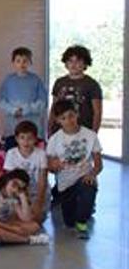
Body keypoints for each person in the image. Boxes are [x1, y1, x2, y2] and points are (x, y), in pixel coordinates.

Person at [47, 100, 103, 240]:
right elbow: (49, 166)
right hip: (65, 185)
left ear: (77, 114)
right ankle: (75, 209)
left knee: (88, 186)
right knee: (69, 222)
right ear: (58, 120)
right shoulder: (55, 140)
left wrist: (92, 173)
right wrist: (54, 166)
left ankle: (82, 223)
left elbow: (98, 164)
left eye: (71, 116)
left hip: (83, 178)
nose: (69, 121)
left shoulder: (90, 135)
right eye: (63, 118)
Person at [0, 47, 48, 149]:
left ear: (30, 62)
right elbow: (1, 101)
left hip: (32, 126)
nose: (22, 64)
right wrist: (13, 110)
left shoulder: (36, 79)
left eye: (25, 61)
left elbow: (43, 102)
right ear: (13, 63)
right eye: (18, 61)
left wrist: (25, 110)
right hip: (12, 127)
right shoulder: (8, 80)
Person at [49, 45, 102, 134]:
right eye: (70, 61)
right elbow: (54, 107)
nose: (74, 64)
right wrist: (50, 127)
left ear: (85, 64)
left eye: (78, 61)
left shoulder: (92, 84)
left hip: (83, 131)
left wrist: (94, 133)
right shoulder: (59, 82)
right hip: (60, 131)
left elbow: (97, 112)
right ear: (66, 63)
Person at [3, 121, 49, 223]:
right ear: (16, 139)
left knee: (35, 220)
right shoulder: (11, 153)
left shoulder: (41, 154)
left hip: (37, 194)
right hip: (18, 193)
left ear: (35, 139)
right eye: (22, 137)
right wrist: (19, 198)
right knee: (18, 219)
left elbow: (42, 181)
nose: (26, 141)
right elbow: (10, 181)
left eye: (30, 138)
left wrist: (38, 202)